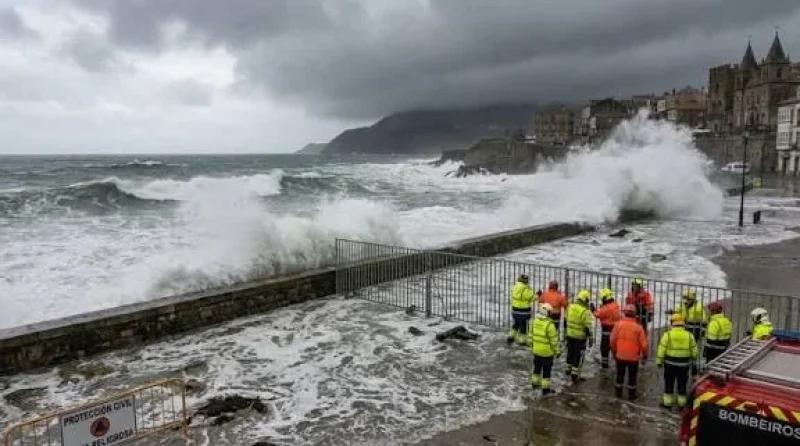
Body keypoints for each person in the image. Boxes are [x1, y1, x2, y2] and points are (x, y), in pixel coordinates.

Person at [656, 314, 698, 409]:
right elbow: (694, 351)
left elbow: (661, 349)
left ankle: (667, 403)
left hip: (669, 364)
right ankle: (681, 404)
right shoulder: (689, 335)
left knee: (669, 383)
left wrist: (659, 361)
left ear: (672, 323)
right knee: (682, 383)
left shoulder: (668, 335)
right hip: (684, 365)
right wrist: (693, 358)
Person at [610, 304, 648, 401]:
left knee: (619, 375)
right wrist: (644, 356)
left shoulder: (618, 325)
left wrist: (614, 353)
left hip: (620, 355)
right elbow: (644, 345)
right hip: (633, 358)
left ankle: (618, 393)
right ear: (635, 314)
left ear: (624, 313)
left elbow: (612, 340)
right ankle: (631, 395)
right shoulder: (638, 328)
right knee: (632, 377)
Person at [529, 303, 560, 395]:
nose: (551, 313)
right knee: (546, 372)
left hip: (536, 351)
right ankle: (545, 390)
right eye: (550, 312)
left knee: (536, 369)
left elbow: (530, 336)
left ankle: (535, 384)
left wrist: (533, 347)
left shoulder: (534, 321)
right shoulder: (550, 325)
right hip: (547, 353)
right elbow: (554, 341)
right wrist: (557, 351)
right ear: (546, 312)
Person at [565, 289, 594, 382]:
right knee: (578, 356)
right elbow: (588, 326)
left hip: (570, 335)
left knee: (570, 353)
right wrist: (591, 338)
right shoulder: (585, 311)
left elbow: (566, 318)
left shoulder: (570, 306)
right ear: (585, 300)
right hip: (580, 337)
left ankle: (568, 370)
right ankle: (575, 375)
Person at [594, 288, 621, 369]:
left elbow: (598, 314)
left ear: (605, 298)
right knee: (615, 349)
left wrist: (593, 310)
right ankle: (618, 365)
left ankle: (604, 366)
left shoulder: (606, 308)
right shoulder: (616, 305)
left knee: (604, 349)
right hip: (615, 331)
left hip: (606, 332)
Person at [508, 274, 535, 345]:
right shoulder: (526, 289)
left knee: (516, 324)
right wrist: (538, 294)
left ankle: (511, 336)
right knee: (524, 326)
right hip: (524, 311)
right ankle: (522, 340)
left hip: (514, 310)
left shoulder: (514, 286)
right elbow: (532, 298)